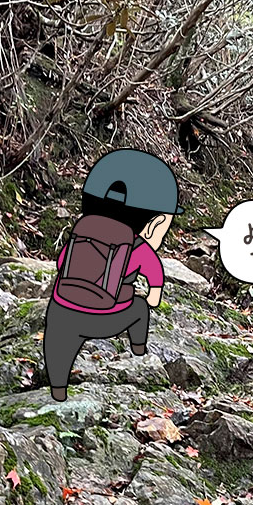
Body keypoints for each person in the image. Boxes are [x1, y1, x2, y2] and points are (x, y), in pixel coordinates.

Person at [43, 149, 182, 401]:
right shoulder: (138, 246)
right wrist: (152, 297)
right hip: (103, 316)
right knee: (139, 308)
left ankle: (58, 389)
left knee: (57, 339)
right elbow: (154, 277)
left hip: (62, 309)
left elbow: (62, 263)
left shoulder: (81, 230)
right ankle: (139, 352)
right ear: (153, 225)